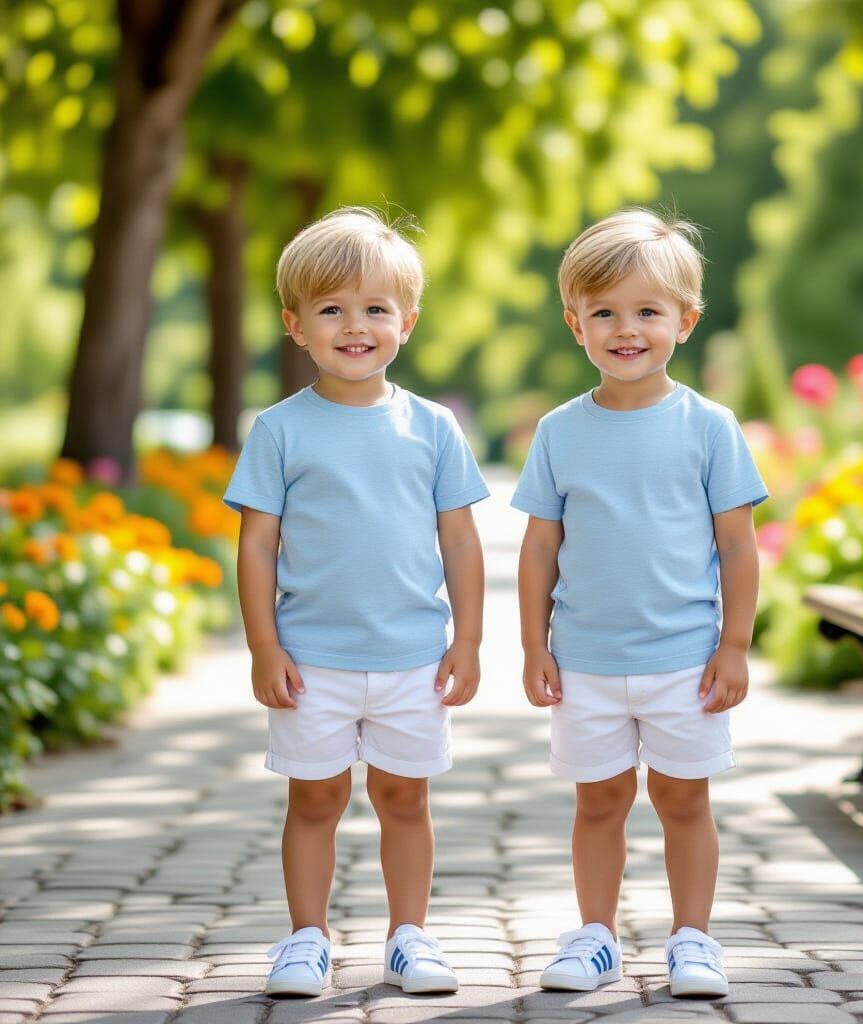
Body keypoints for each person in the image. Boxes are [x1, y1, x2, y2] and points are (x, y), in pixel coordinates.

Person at [224, 207, 488, 998]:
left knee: (405, 798)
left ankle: (410, 936)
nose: (355, 326)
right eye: (332, 309)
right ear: (295, 325)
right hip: (312, 661)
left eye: (375, 308)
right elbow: (257, 545)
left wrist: (468, 641)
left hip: (412, 657)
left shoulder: (433, 427)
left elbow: (461, 542)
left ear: (407, 321)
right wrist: (264, 647)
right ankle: (306, 938)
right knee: (316, 799)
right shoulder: (279, 430)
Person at [512, 208, 768, 998]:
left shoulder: (710, 428)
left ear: (685, 320)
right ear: (575, 324)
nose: (627, 330)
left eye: (648, 312)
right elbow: (539, 548)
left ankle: (693, 939)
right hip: (585, 662)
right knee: (599, 802)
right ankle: (595, 936)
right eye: (605, 314)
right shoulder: (559, 432)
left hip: (684, 661)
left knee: (683, 800)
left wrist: (734, 645)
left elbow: (738, 546)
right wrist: (533, 645)